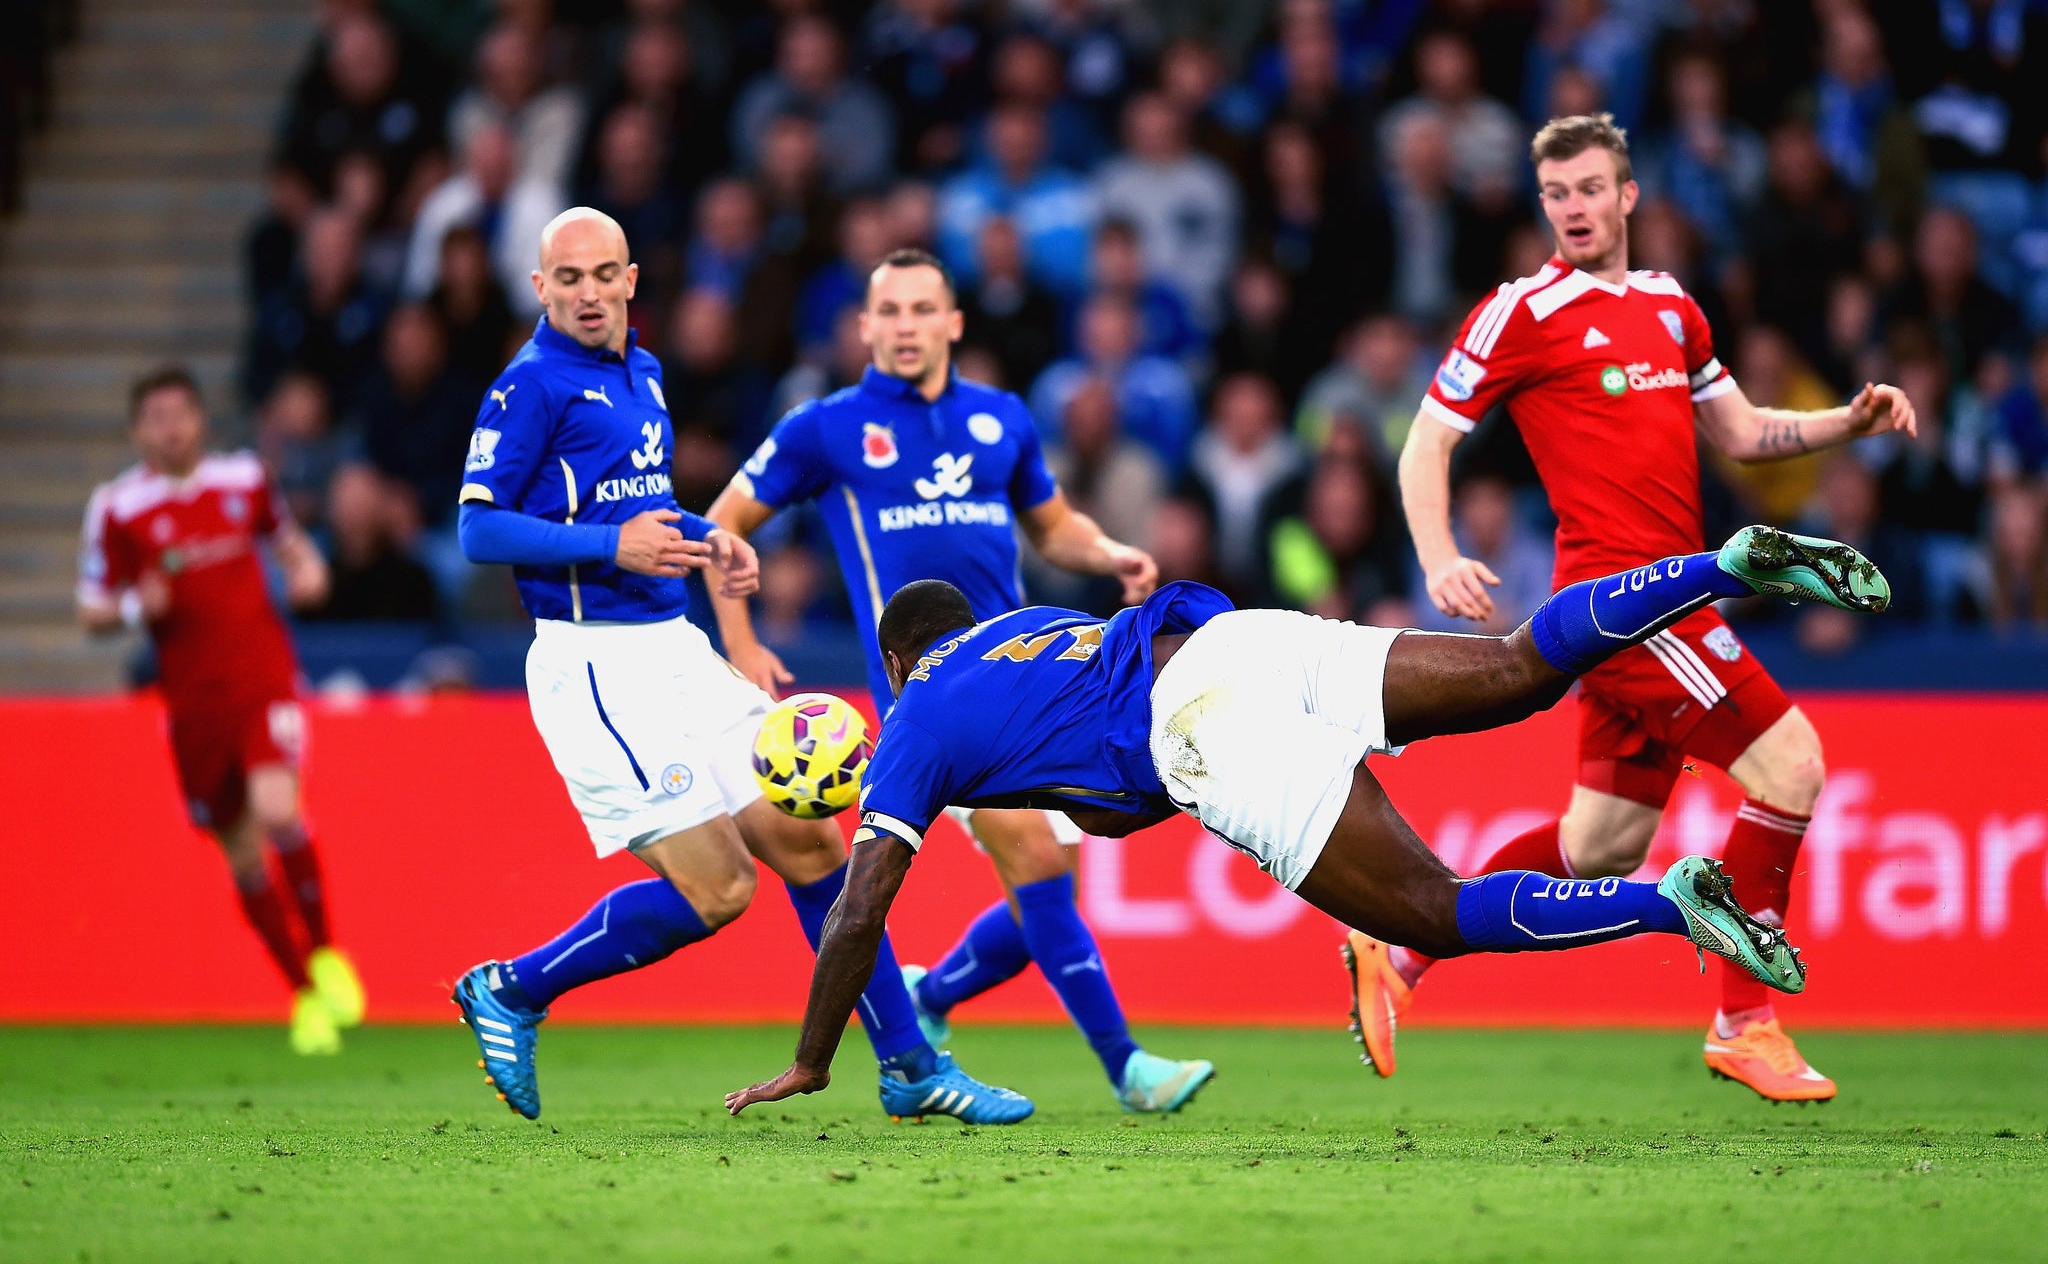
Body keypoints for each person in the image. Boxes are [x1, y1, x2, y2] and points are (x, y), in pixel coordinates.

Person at [724, 524, 1894, 1116]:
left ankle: (1664, 900)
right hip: (1240, 636)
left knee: (1431, 908)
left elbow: (860, 906)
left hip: (1200, 725)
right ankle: (1719, 564)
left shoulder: (915, 714)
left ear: (890, 660)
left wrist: (812, 1057)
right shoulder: (1013, 627)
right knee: (1513, 667)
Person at [449, 210, 1030, 1125]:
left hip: (675, 646)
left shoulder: (641, 371)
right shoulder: (530, 388)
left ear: (632, 279)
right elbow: (478, 525)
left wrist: (708, 536)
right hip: (594, 663)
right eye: (569, 280)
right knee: (720, 888)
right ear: (541, 289)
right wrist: (613, 543)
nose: (590, 294)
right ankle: (514, 988)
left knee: (813, 839)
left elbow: (642, 505)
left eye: (605, 275)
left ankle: (912, 1066)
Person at [1394, 113, 1917, 1103]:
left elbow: (1744, 433)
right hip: (1624, 605)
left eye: (1588, 188)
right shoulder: (1518, 311)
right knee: (1792, 763)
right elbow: (1424, 442)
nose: (1571, 209)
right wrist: (1437, 556)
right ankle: (1741, 1019)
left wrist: (1842, 422)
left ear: (1627, 196)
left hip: (1667, 595)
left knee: (1600, 846)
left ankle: (1402, 947)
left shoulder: (1671, 307)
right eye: (1553, 194)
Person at [705, 248, 1215, 1115]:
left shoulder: (1001, 420)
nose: (905, 325)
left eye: (922, 309)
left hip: (1033, 688)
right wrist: (742, 640)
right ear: (865, 327)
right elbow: (724, 523)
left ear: (954, 323)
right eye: (889, 311)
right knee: (1035, 866)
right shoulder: (824, 427)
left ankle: (931, 998)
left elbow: (1052, 528)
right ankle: (1127, 1066)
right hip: (931, 701)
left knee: (1045, 898)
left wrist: (1109, 553)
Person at [77, 369, 363, 1055]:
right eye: (157, 417)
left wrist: (307, 571)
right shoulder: (118, 508)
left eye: (182, 413)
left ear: (202, 419)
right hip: (193, 704)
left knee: (278, 810)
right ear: (136, 431)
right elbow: (91, 608)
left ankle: (325, 950)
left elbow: (291, 545)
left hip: (261, 678)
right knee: (240, 856)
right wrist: (130, 607)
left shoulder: (244, 480)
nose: (172, 427)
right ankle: (303, 994)